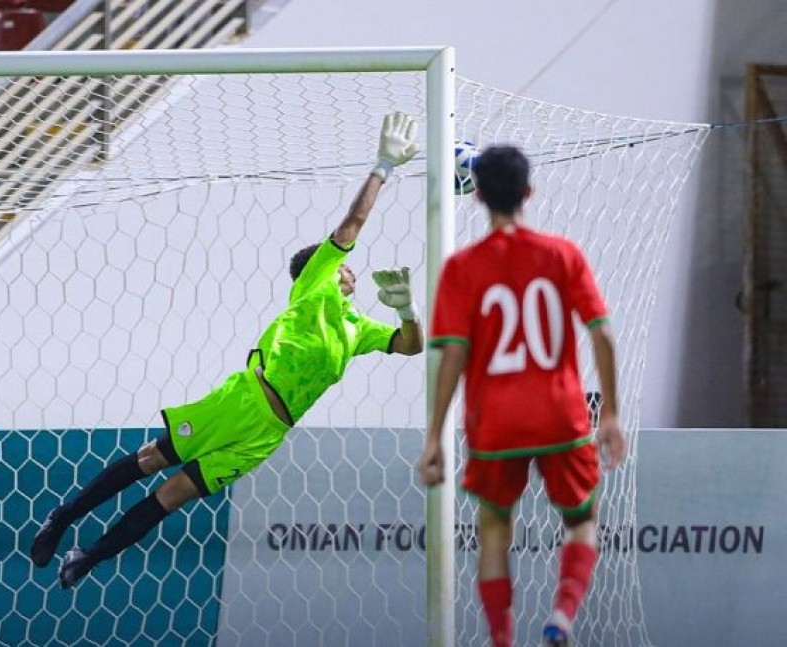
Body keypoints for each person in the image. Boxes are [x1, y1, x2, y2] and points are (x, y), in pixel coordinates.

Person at [30, 113, 426, 589]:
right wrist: (384, 166)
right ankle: (62, 517)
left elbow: (409, 347)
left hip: (269, 431)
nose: (351, 273)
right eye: (344, 268)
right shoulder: (312, 285)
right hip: (243, 400)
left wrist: (408, 311)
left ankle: (90, 557)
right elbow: (353, 223)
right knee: (152, 460)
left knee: (173, 494)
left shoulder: (357, 328)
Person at [417, 145, 628, 647]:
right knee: (582, 519)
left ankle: (501, 638)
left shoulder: (462, 268)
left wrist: (433, 437)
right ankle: (561, 616)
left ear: (477, 195)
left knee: (493, 528)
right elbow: (602, 335)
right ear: (529, 192)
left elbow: (453, 357)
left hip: (494, 423)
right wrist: (612, 414)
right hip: (561, 415)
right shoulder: (562, 254)